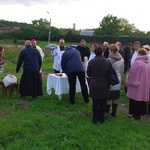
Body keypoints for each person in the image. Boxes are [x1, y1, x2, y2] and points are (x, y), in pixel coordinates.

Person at [87, 46, 110, 124]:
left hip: (94, 83)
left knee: (95, 102)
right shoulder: (107, 62)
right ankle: (101, 118)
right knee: (103, 102)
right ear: (102, 52)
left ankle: (94, 118)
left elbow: (88, 74)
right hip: (104, 83)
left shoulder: (91, 62)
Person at [126, 48, 150, 119]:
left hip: (137, 84)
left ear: (139, 54)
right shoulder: (148, 64)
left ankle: (135, 114)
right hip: (145, 85)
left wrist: (130, 81)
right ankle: (139, 114)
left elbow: (132, 73)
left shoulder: (137, 63)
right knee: (142, 99)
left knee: (135, 99)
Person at [105, 44, 124, 117]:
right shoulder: (121, 59)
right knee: (115, 97)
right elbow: (122, 70)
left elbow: (107, 71)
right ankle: (114, 113)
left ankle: (106, 111)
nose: (108, 51)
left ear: (112, 51)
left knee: (109, 98)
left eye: (109, 49)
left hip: (111, 79)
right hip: (118, 78)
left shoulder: (109, 60)